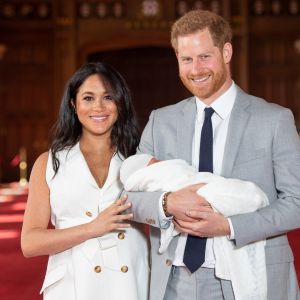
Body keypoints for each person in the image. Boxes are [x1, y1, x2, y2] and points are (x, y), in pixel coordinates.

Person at [125, 9, 300, 300]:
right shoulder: (161, 121)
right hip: (173, 281)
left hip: (247, 278)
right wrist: (167, 203)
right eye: (186, 59)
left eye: (205, 56)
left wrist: (229, 226)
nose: (196, 69)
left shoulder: (273, 120)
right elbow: (129, 197)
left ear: (226, 52)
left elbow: (297, 202)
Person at [21, 62, 149, 300]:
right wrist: (92, 228)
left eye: (108, 97)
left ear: (120, 103)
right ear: (73, 104)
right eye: (88, 98)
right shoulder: (48, 163)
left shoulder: (139, 157)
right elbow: (30, 242)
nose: (98, 107)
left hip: (130, 281)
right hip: (72, 284)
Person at [121, 153, 269, 299]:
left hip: (227, 271)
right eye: (154, 163)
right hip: (173, 275)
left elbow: (291, 202)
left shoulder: (274, 128)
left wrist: (229, 226)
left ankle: (251, 197)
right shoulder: (155, 132)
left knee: (243, 195)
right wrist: (168, 202)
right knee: (240, 196)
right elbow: (127, 200)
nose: (160, 162)